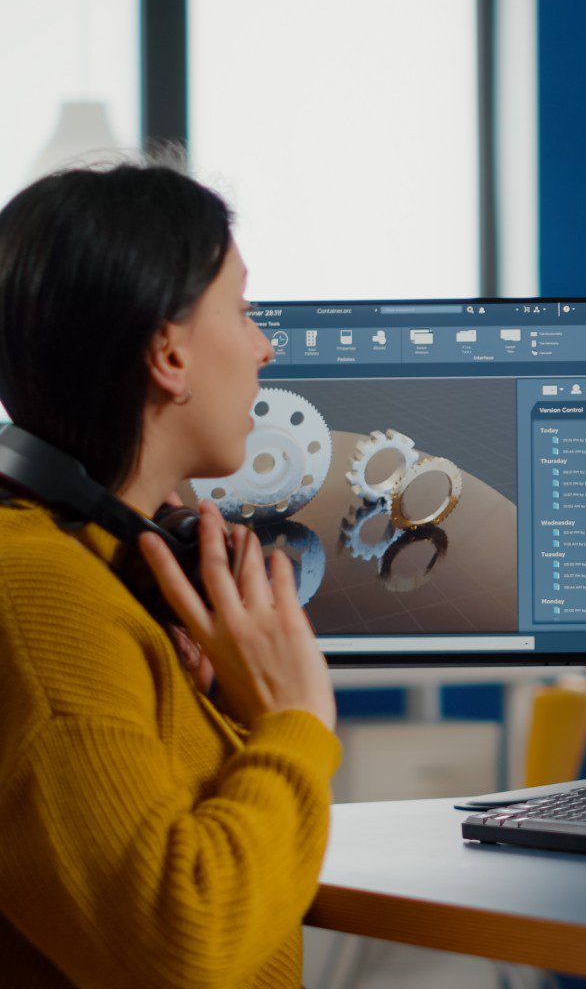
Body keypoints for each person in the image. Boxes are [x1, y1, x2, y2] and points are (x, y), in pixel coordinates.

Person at [0, 164, 339, 986]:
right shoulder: (45, 596)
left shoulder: (93, 563)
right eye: (244, 309)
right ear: (168, 351)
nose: (264, 345)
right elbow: (178, 941)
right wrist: (296, 724)